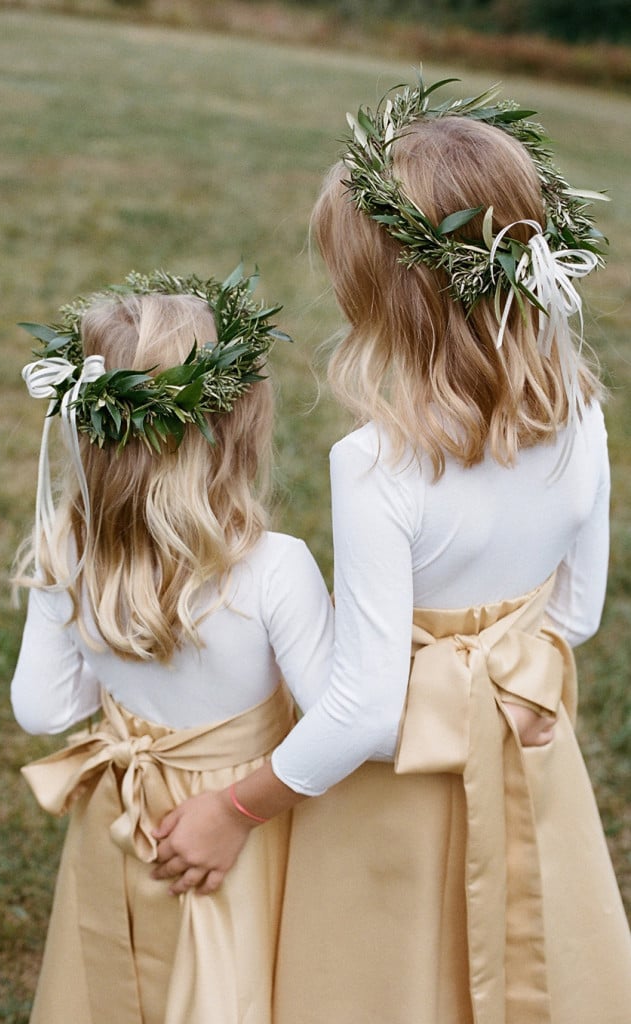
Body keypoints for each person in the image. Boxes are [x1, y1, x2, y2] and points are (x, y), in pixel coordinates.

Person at [150, 78, 631, 1023]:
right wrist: (500, 689)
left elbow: (365, 710)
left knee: (387, 983)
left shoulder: (378, 465)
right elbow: (573, 614)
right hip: (523, 755)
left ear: (380, 292)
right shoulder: (577, 410)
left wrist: (231, 808)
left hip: (396, 795)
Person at [9, 267, 334, 1024]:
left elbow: (41, 708)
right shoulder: (273, 566)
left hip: (125, 815)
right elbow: (334, 714)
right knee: (235, 982)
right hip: (249, 817)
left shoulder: (68, 551)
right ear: (239, 425)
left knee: (126, 977)